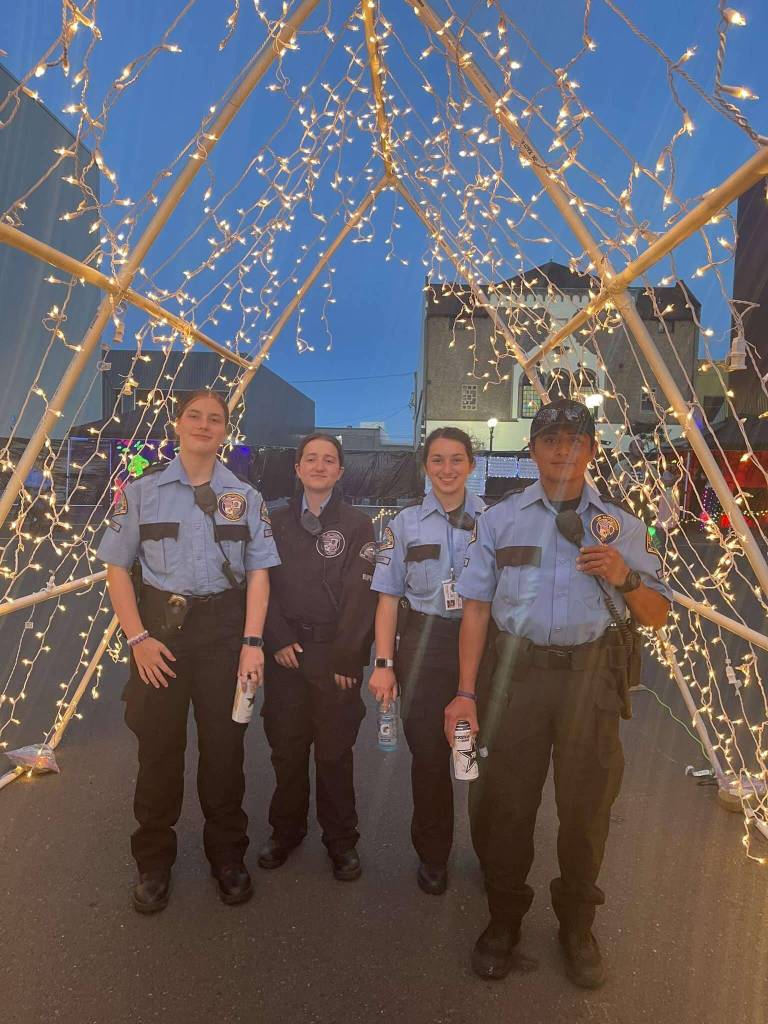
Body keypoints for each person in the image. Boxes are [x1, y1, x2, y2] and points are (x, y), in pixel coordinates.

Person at [447, 398, 671, 989]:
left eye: (575, 439)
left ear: (592, 449)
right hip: (516, 680)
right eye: (551, 439)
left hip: (589, 682)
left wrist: (623, 575)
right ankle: (504, 920)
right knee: (507, 806)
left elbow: (657, 614)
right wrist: (465, 693)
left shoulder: (622, 525)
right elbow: (476, 609)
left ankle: (577, 926)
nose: (563, 450)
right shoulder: (500, 520)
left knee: (586, 811)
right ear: (533, 450)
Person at [97, 389, 279, 913]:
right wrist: (137, 639)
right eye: (194, 416)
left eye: (215, 419)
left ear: (225, 429)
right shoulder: (141, 491)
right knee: (158, 750)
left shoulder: (245, 496)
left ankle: (227, 855)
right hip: (162, 634)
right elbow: (117, 569)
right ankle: (154, 862)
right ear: (177, 424)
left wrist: (252, 643)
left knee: (225, 752)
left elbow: (259, 573)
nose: (204, 425)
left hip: (224, 634)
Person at [368, 427, 484, 896]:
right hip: (424, 642)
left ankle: (492, 852)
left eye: (457, 459)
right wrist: (384, 663)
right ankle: (434, 854)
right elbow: (387, 598)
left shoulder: (494, 521)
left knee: (483, 754)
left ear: (471, 464)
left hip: (484, 640)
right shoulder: (404, 524)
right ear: (425, 467)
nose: (447, 469)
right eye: (437, 459)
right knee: (430, 758)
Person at [258, 433, 377, 881]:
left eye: (329, 460)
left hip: (334, 657)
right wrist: (276, 638)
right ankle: (285, 831)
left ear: (340, 471)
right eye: (311, 458)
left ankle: (341, 840)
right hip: (286, 654)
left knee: (334, 754)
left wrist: (349, 657)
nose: (319, 466)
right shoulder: (274, 522)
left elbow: (361, 597)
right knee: (287, 751)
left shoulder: (358, 525)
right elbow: (260, 583)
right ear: (298, 468)